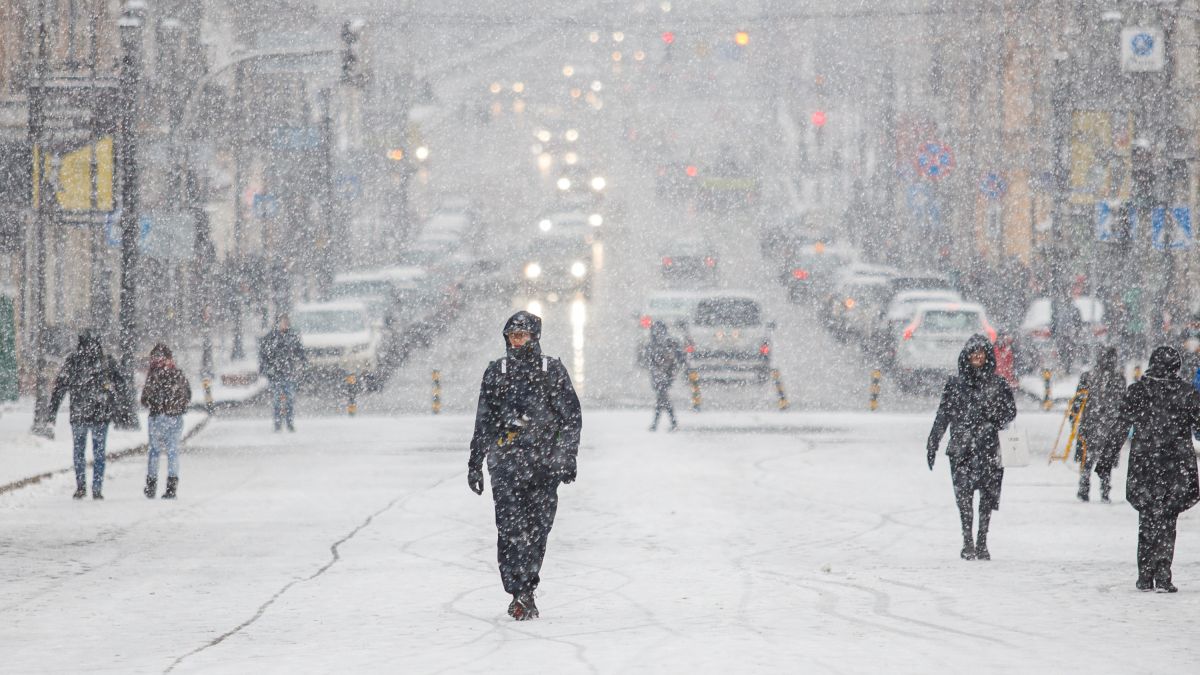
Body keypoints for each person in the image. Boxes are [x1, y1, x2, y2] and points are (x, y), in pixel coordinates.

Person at [468, 311, 582, 620]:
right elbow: (484, 421)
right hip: (506, 463)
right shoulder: (497, 372)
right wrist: (475, 461)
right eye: (512, 336)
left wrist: (567, 456)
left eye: (522, 335)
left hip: (544, 465)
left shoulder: (551, 371)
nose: (517, 341)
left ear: (535, 337)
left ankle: (527, 587)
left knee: (538, 530)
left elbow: (570, 419)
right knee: (509, 530)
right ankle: (518, 590)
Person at [1112, 346, 1200, 593]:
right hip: (1176, 464)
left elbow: (1121, 425)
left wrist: (1107, 459)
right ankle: (1162, 574)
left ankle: (1145, 573)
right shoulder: (1186, 394)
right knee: (1168, 518)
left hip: (1145, 462)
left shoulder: (1139, 392)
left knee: (1148, 516)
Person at [927, 334, 1017, 561]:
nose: (977, 356)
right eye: (973, 352)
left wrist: (994, 418)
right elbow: (943, 415)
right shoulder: (955, 385)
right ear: (966, 356)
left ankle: (982, 540)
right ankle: (967, 539)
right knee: (964, 497)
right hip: (961, 448)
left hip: (988, 447)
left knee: (987, 497)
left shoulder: (998, 384)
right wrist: (933, 442)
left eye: (981, 352)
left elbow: (1010, 412)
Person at [48, 332, 125, 500]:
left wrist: (52, 411)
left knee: (79, 452)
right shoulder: (105, 361)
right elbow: (121, 384)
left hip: (79, 414)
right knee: (99, 453)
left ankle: (81, 486)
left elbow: (59, 388)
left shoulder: (73, 361)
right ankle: (97, 488)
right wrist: (117, 405)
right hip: (100, 415)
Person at [1070, 347, 1126, 503]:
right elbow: (1123, 402)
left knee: (1087, 458)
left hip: (1090, 423)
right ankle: (1105, 490)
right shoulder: (1118, 378)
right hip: (1109, 425)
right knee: (1106, 459)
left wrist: (1073, 419)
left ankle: (1084, 488)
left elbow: (1078, 401)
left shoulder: (1088, 377)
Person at [140, 344, 192, 499]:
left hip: (157, 417)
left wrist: (156, 406)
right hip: (175, 417)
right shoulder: (178, 374)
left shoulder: (153, 374)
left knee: (154, 452)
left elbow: (145, 399)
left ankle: (151, 485)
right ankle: (171, 486)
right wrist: (176, 407)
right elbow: (188, 395)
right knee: (172, 452)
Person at [259, 314, 306, 432]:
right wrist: (265, 369)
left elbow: (300, 352)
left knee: (289, 398)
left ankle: (289, 423)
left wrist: (303, 363)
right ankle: (277, 424)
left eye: (286, 323)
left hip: (288, 372)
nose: (285, 325)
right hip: (275, 374)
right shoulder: (270, 338)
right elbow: (264, 356)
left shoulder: (292, 336)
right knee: (277, 399)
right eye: (282, 322)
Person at [641, 321, 684, 431]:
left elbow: (648, 360)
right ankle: (669, 424)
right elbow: (676, 360)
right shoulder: (668, 342)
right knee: (662, 400)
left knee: (662, 399)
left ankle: (661, 424)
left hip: (660, 376)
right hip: (663, 375)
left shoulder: (656, 344)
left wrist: (662, 370)